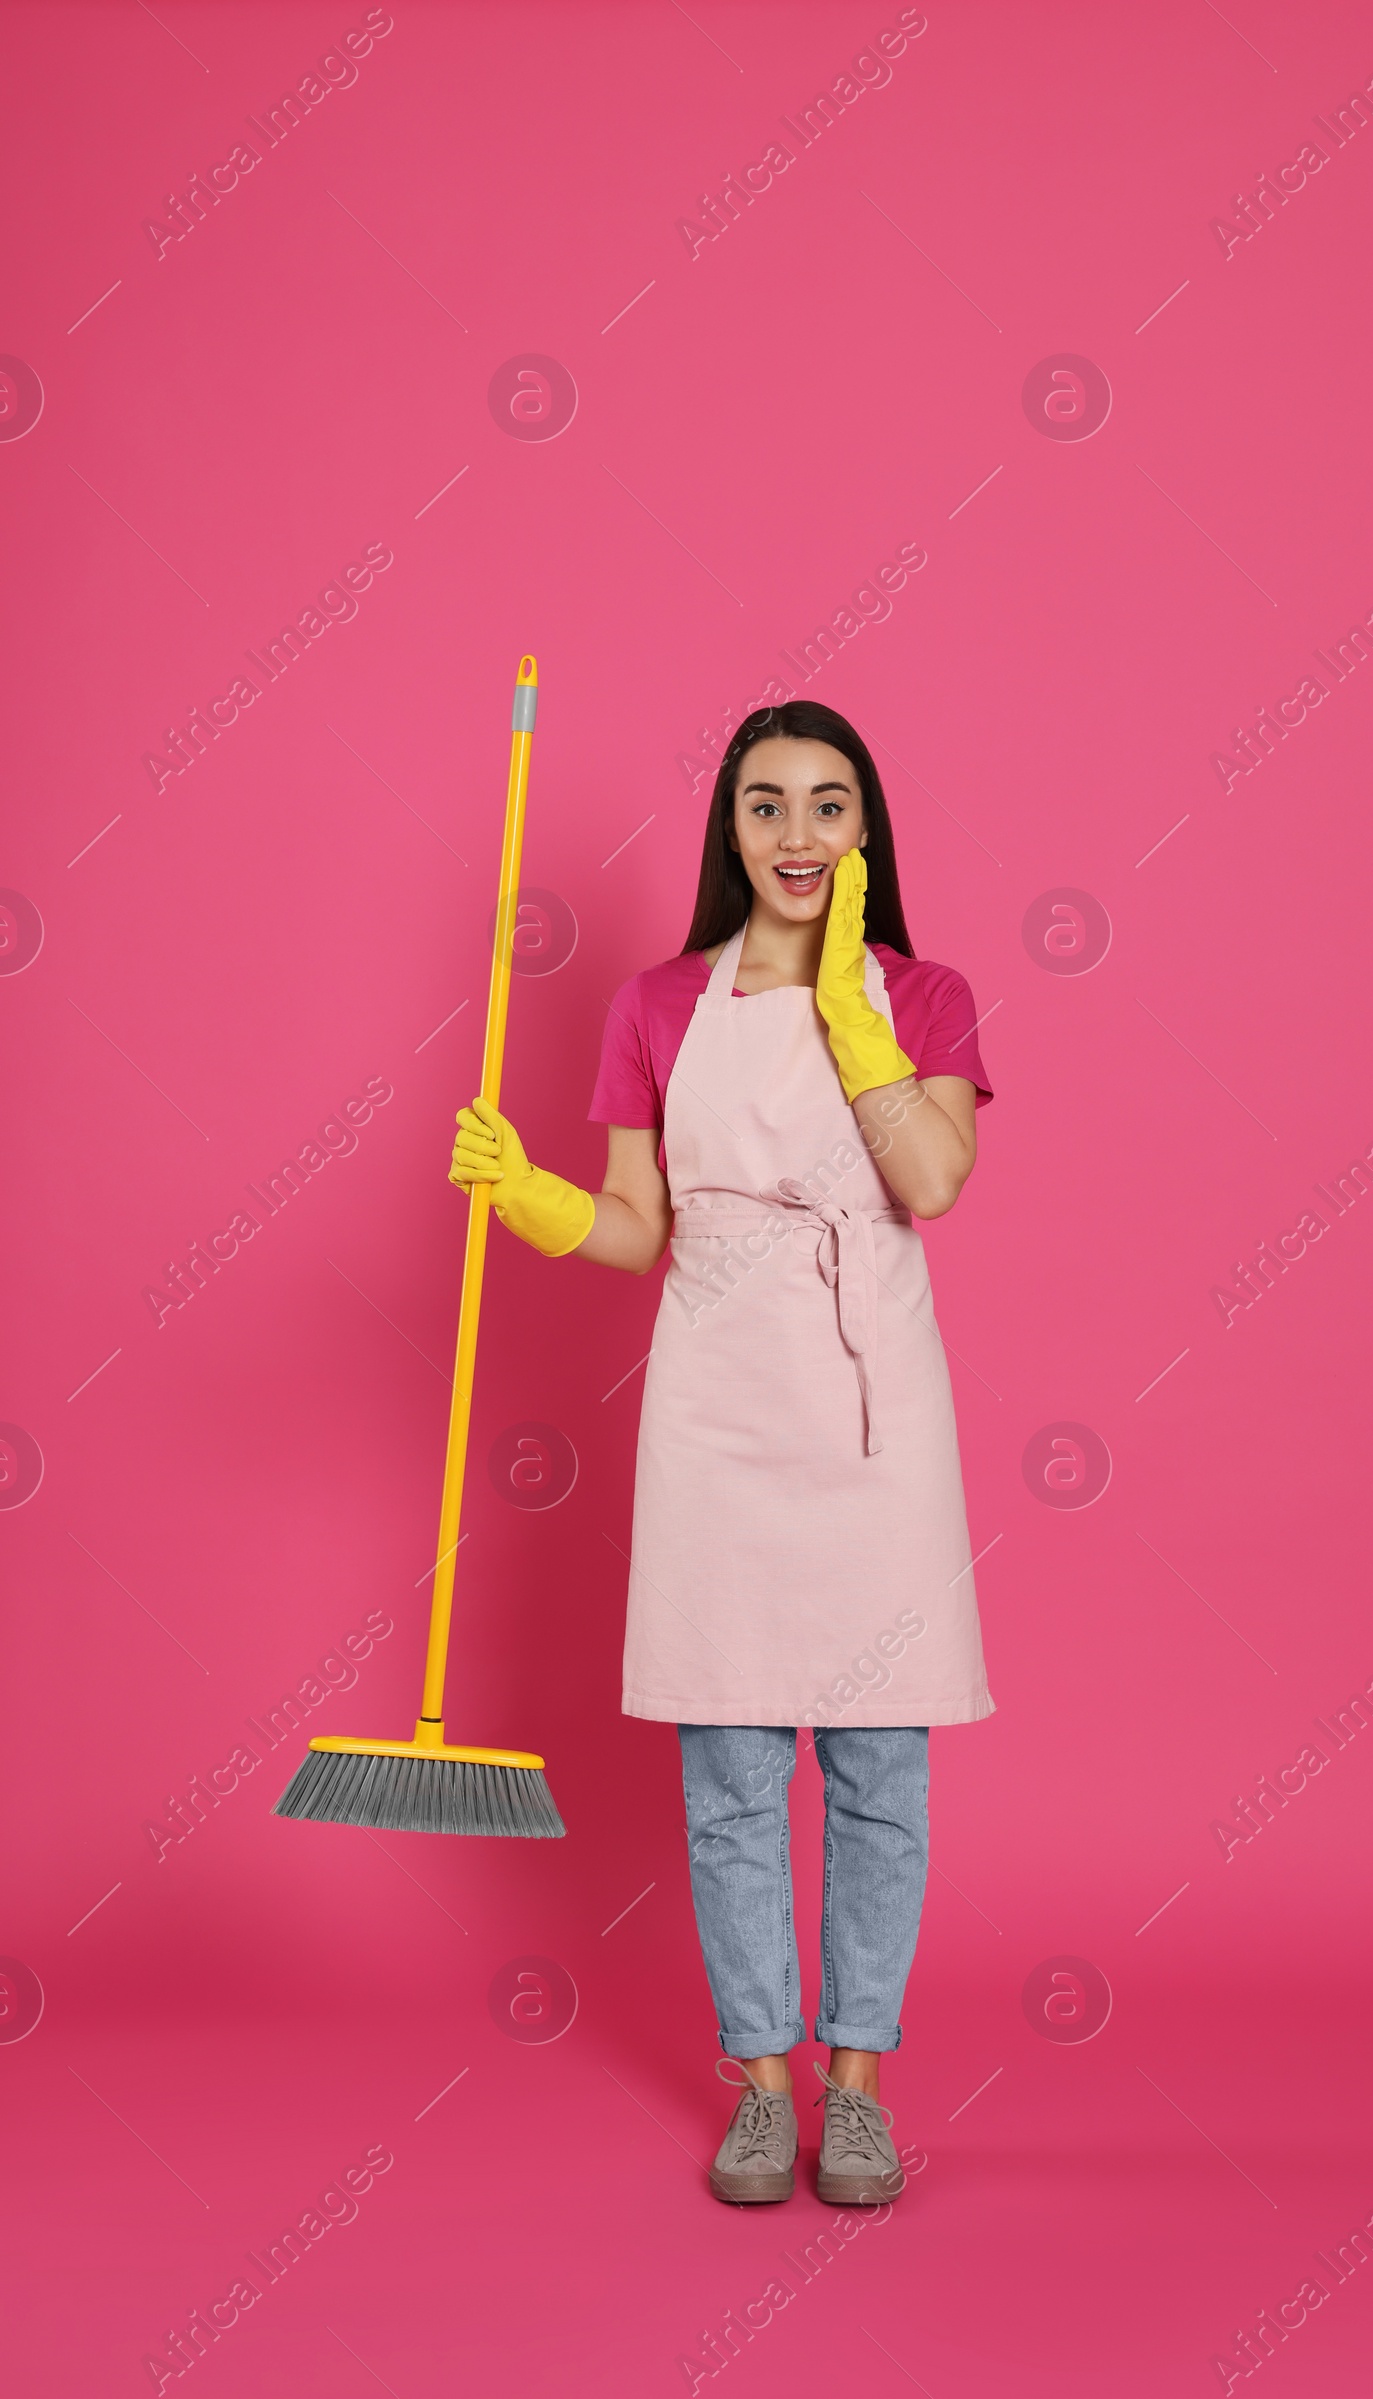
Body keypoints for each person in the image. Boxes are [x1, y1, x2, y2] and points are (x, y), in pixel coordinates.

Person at [448, 699, 995, 2206]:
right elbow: (639, 1231)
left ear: (867, 831)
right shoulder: (653, 1006)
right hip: (719, 1410)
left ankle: (858, 2086)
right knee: (734, 1779)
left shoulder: (923, 994)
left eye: (830, 806)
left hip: (872, 1411)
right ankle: (762, 2086)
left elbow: (932, 1177)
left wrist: (846, 1011)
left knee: (882, 1771)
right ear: (730, 830)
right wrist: (532, 1198)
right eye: (767, 806)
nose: (799, 835)